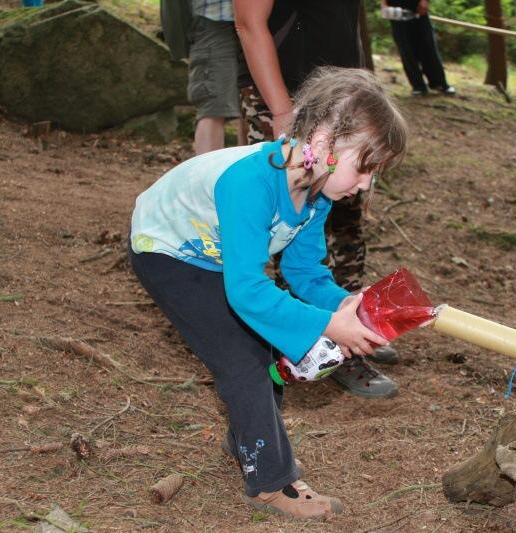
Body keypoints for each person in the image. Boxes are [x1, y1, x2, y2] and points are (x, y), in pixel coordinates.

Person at [129, 66, 407, 519]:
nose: (365, 184)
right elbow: (247, 291)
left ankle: (248, 440)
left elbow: (304, 271)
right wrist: (328, 325)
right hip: (167, 253)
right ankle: (271, 484)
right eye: (364, 168)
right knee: (242, 360)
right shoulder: (250, 183)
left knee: (261, 348)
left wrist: (343, 306)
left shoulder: (316, 191)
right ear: (323, 144)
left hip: (219, 260)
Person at [234, 0, 402, 399]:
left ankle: (346, 333)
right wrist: (282, 112)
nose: (368, 185)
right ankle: (287, 347)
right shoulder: (255, 181)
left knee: (336, 228)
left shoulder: (330, 188)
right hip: (292, 98)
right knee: (269, 234)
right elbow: (249, 22)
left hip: (346, 104)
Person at [160, 0, 244, 154]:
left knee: (250, 104)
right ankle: (208, 170)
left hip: (259, 20)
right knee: (213, 107)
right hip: (214, 20)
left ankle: (247, 169)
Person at [380, 0, 455, 97]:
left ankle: (439, 83)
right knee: (407, 52)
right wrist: (383, 4)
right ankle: (418, 86)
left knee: (429, 48)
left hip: (419, 11)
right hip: (397, 14)